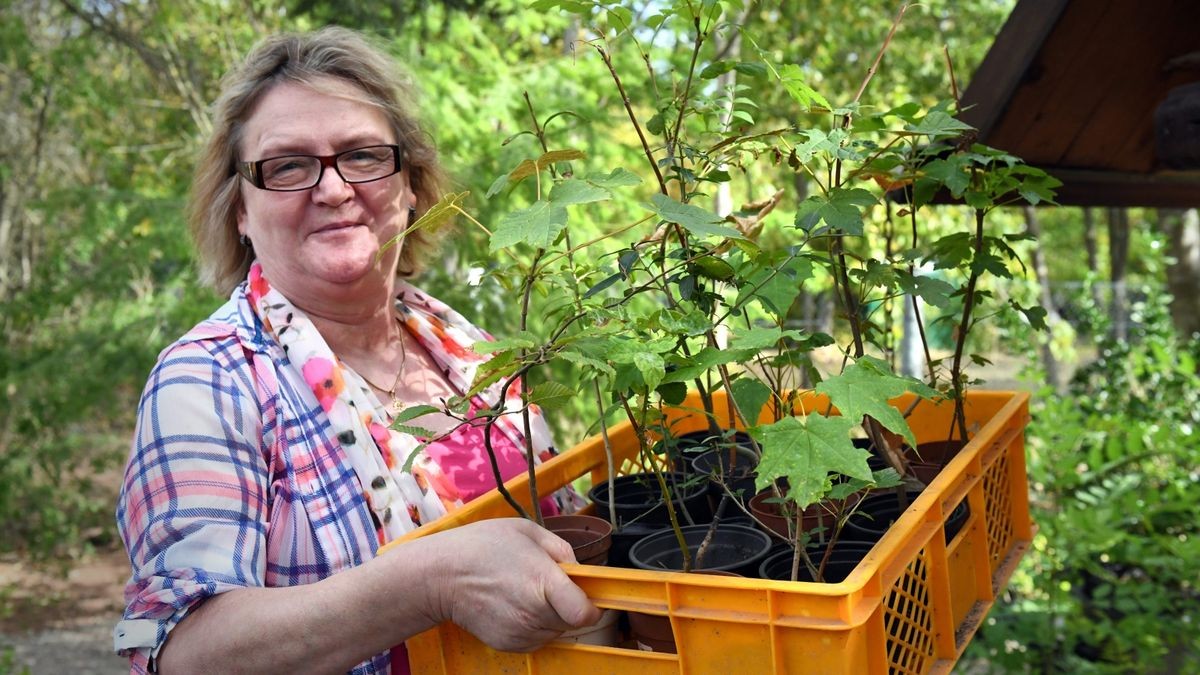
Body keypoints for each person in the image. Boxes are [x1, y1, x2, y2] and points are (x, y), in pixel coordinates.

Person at [114, 26, 599, 675]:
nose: (335, 190)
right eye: (288, 165)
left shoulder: (475, 353)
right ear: (239, 211)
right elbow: (186, 651)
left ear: (412, 187)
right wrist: (429, 582)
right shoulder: (210, 379)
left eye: (364, 155)